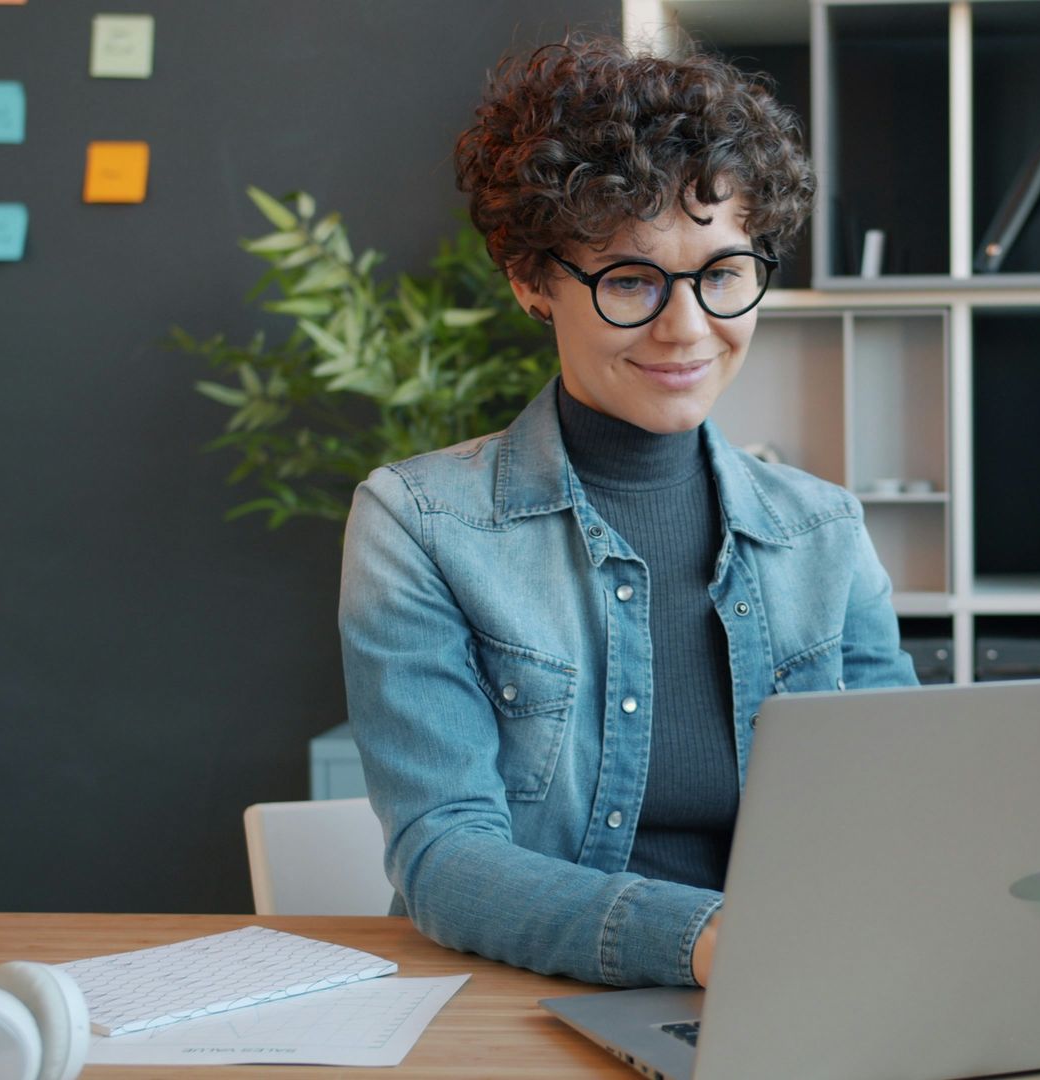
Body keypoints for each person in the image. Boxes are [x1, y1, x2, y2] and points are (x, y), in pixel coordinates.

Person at [337, 32, 919, 990]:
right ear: (533, 280)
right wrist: (710, 941)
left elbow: (902, 802)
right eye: (632, 281)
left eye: (723, 274)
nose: (687, 328)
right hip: (532, 1000)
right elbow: (444, 856)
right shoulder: (420, 525)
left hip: (798, 988)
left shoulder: (824, 531)